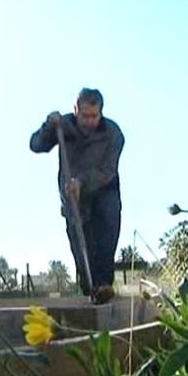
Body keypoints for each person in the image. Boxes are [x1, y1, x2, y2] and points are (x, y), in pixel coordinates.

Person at [29, 88, 125, 304]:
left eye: (94, 116)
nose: (89, 121)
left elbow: (108, 170)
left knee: (105, 237)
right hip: (74, 199)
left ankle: (104, 285)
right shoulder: (63, 125)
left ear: (101, 113)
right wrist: (48, 125)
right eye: (84, 116)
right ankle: (89, 288)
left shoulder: (113, 134)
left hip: (104, 190)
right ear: (75, 111)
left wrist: (82, 181)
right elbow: (35, 145)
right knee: (82, 249)